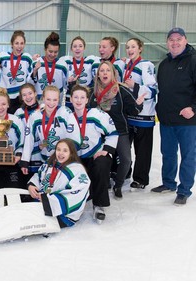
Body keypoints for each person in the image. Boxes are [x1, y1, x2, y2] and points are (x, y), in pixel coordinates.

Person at [151, 27, 196, 206]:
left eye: (179, 39)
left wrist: (193, 108)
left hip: (187, 120)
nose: (175, 42)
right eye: (171, 39)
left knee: (188, 155)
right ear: (167, 42)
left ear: (185, 40)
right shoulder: (164, 64)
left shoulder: (193, 60)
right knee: (168, 153)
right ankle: (169, 182)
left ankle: (184, 190)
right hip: (167, 119)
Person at [89, 61, 145, 200]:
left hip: (120, 131)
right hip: (101, 134)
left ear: (113, 73)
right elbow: (88, 111)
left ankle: (118, 184)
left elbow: (133, 109)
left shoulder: (121, 89)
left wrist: (139, 105)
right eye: (102, 71)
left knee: (126, 160)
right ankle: (105, 181)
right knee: (102, 160)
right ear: (98, 75)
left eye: (108, 70)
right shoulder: (93, 91)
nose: (105, 73)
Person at [70, 85, 118, 223]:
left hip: (94, 155)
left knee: (102, 164)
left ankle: (99, 205)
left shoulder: (96, 114)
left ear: (86, 100)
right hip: (77, 158)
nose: (79, 100)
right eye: (76, 97)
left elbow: (113, 133)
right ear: (71, 99)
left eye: (82, 97)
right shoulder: (66, 117)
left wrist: (107, 150)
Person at [28, 139, 90, 228]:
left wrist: (47, 200)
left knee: (27, 219)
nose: (60, 153)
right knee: (20, 214)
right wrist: (32, 186)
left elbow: (77, 194)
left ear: (71, 153)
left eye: (65, 150)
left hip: (63, 215)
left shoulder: (77, 170)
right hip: (42, 203)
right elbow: (39, 175)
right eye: (58, 149)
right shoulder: (50, 162)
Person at [21, 85, 81, 175]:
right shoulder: (34, 116)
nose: (51, 103)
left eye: (55, 100)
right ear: (43, 98)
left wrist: (65, 154)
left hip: (64, 160)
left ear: (59, 100)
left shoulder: (65, 112)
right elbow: (29, 139)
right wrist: (25, 161)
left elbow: (75, 137)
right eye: (48, 99)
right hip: (45, 160)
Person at [123, 38, 158, 191]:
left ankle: (140, 179)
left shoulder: (146, 65)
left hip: (144, 116)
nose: (130, 49)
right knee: (125, 149)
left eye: (133, 47)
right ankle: (125, 173)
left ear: (140, 48)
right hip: (130, 115)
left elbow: (152, 91)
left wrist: (135, 86)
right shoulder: (127, 66)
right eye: (127, 47)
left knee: (142, 151)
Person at [0, 30, 33, 114]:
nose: (19, 46)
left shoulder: (27, 58)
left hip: (20, 99)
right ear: (12, 44)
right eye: (16, 43)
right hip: (6, 97)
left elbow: (30, 78)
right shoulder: (2, 56)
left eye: (22, 43)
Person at [30, 32, 68, 104]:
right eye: (50, 51)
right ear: (45, 49)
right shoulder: (36, 62)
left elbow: (66, 87)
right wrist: (35, 71)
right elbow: (30, 84)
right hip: (39, 103)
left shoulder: (62, 65)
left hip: (56, 104)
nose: (53, 54)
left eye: (56, 52)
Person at [14, 83, 42, 183]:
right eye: (24, 95)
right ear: (21, 97)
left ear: (35, 93)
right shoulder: (18, 112)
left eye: (30, 93)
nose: (28, 97)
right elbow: (16, 135)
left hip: (40, 153)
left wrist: (46, 145)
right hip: (25, 155)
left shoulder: (43, 109)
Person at [61, 36, 97, 108]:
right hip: (70, 96)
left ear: (84, 48)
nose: (77, 48)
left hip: (86, 97)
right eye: (75, 46)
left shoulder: (91, 61)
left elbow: (105, 60)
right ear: (71, 49)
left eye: (80, 46)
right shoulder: (66, 61)